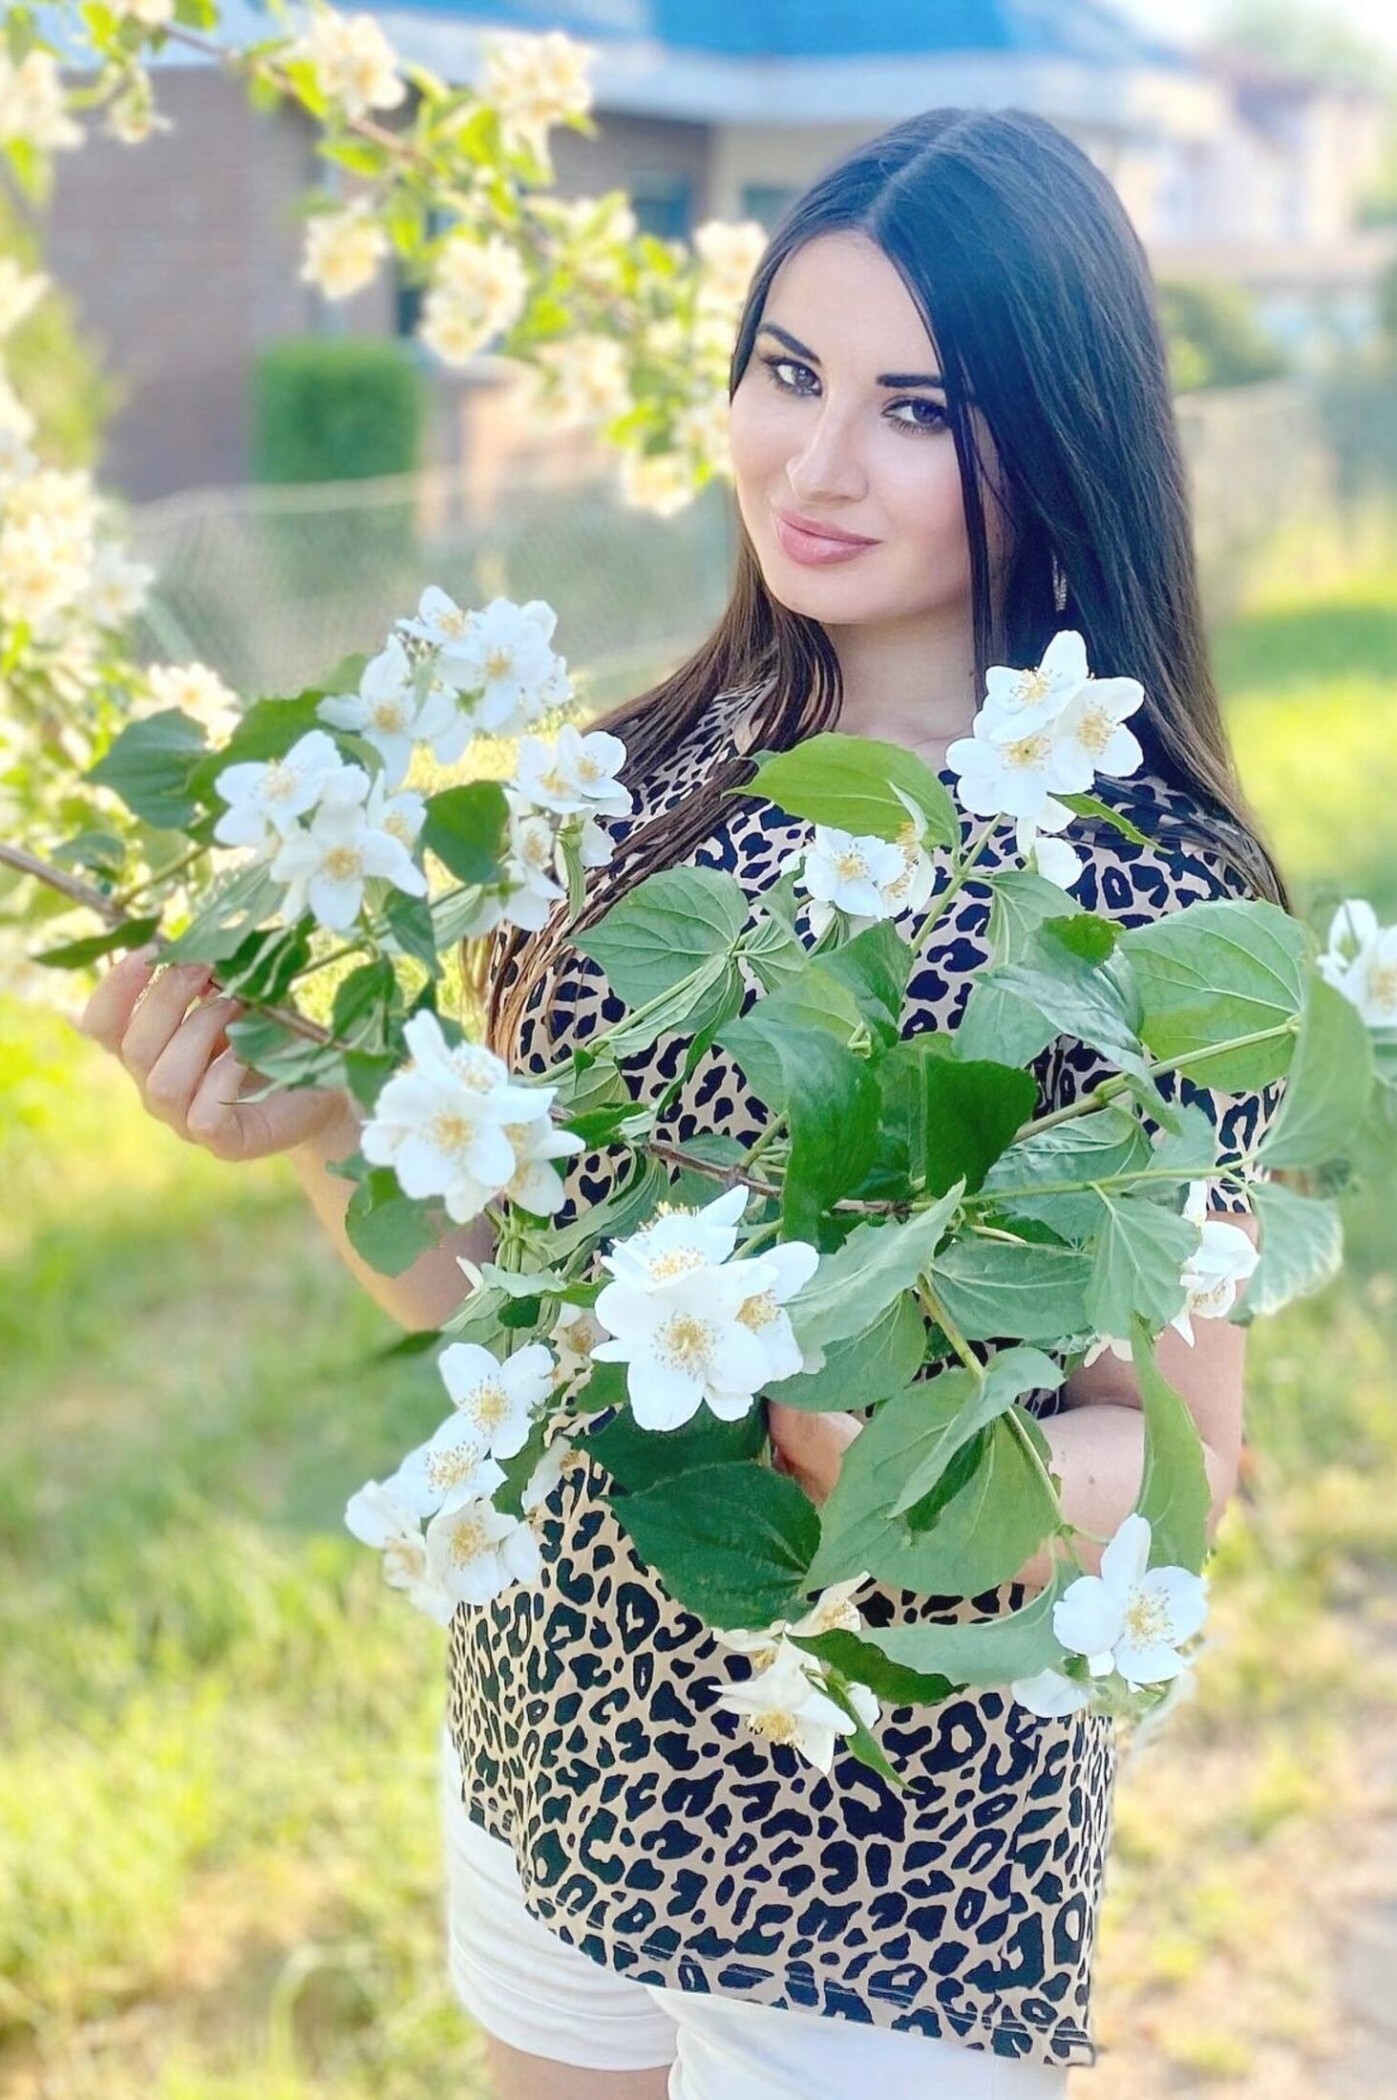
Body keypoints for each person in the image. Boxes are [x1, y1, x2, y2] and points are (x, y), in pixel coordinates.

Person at [78, 108, 1286, 2100]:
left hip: (887, 1855)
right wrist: (327, 1130)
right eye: (789, 372)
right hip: (561, 1742)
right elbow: (516, 1313)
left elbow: (1175, 1467)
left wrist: (879, 1465)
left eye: (916, 410)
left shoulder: (1140, 896)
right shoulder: (623, 793)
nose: (812, 464)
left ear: (1057, 438)